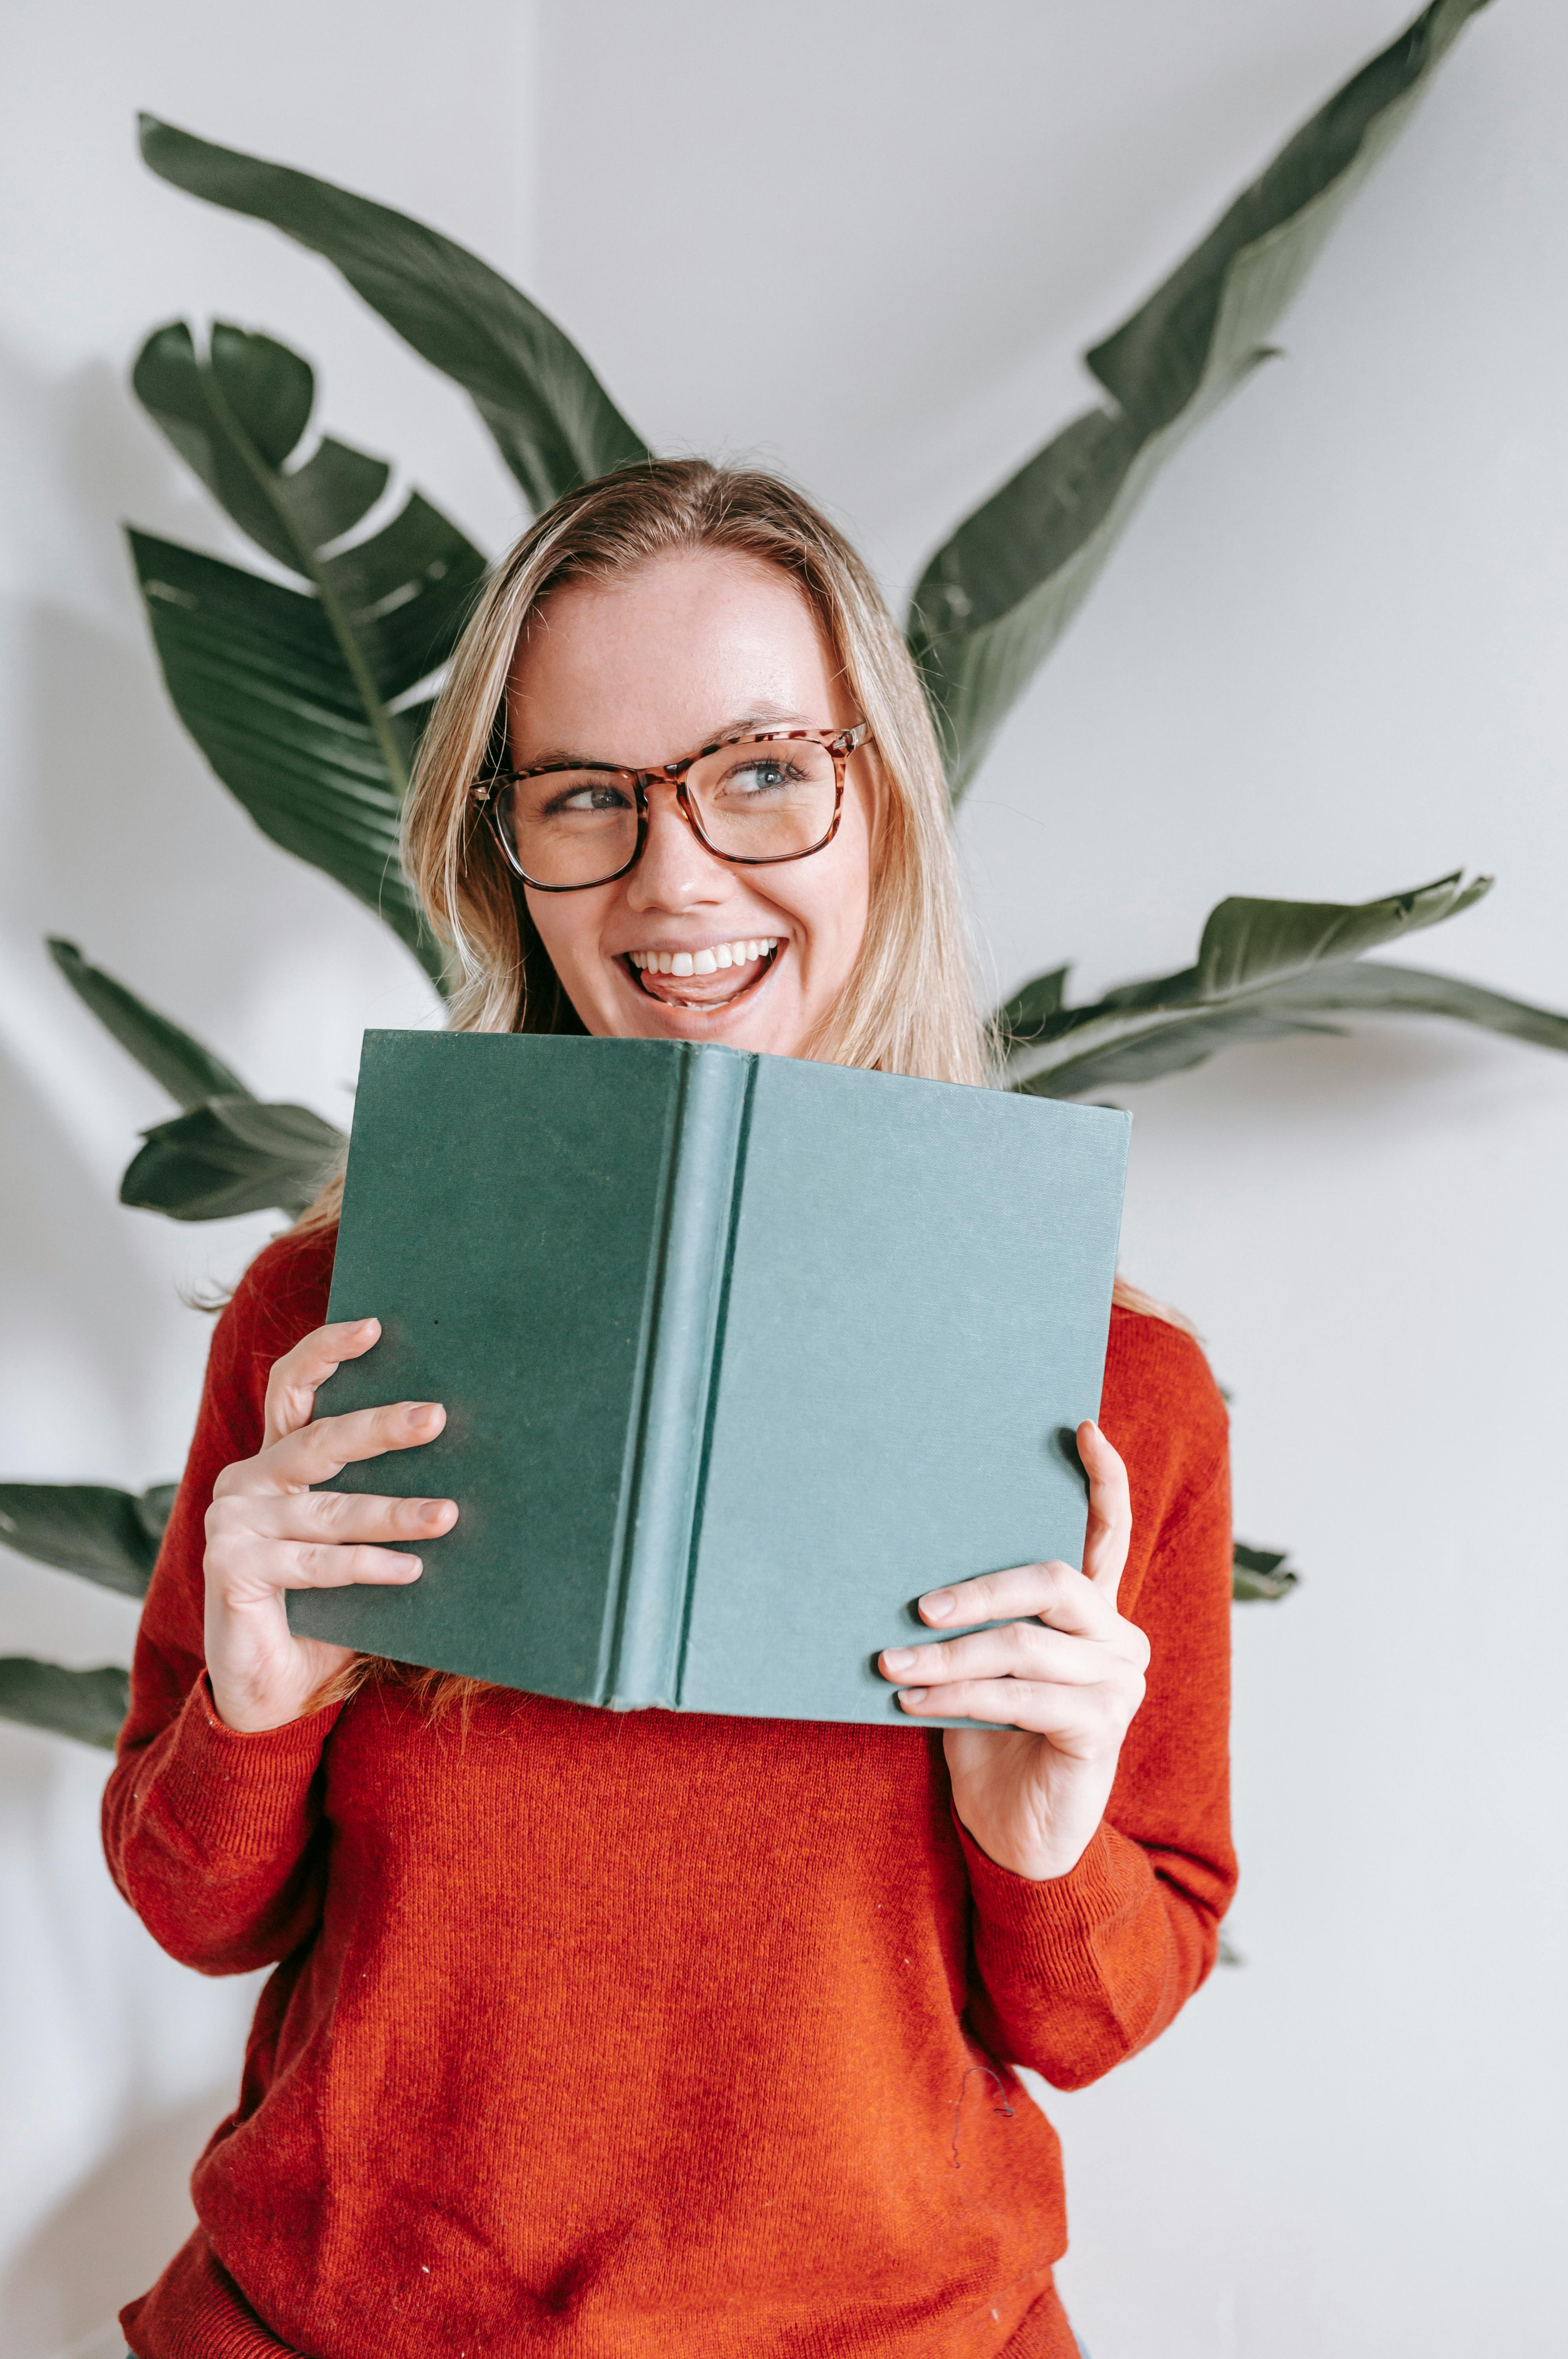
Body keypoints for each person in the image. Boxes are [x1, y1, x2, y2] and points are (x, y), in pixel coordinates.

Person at [106, 460, 1235, 2359]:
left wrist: (1042, 1845)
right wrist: (255, 1702)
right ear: (503, 850)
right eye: (585, 799)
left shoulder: (1115, 1390)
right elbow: (196, 1909)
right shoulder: (330, 1319)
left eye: (762, 770)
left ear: (877, 793)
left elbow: (1097, 2018)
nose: (676, 878)